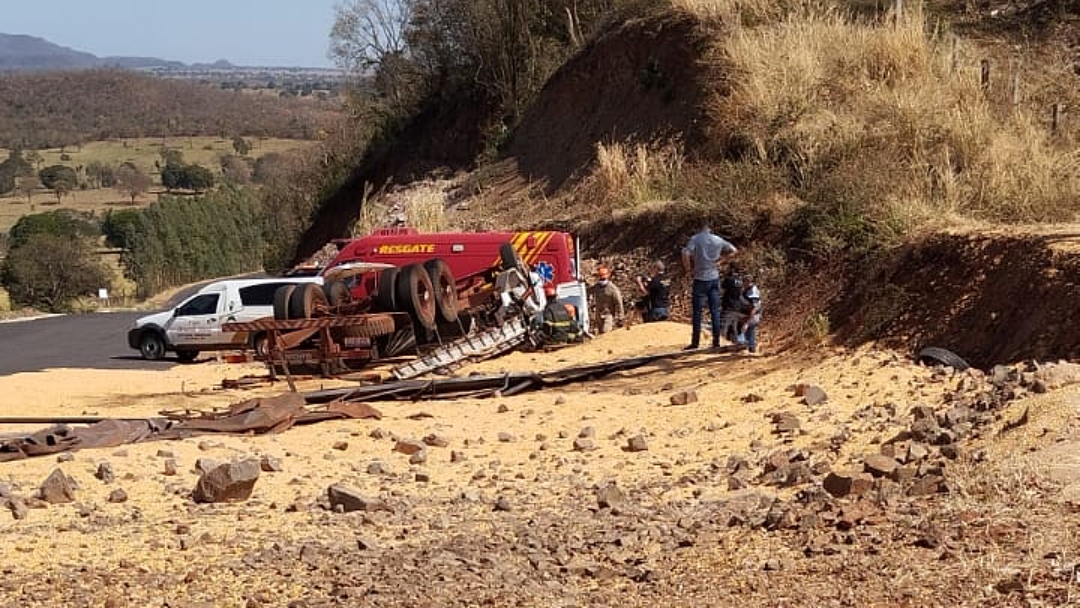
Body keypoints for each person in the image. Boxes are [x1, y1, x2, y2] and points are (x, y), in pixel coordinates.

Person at [681, 223, 737, 349]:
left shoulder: (695, 239)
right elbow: (734, 250)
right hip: (713, 277)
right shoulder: (718, 239)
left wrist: (688, 270)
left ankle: (695, 342)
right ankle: (716, 341)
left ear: (700, 228)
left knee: (697, 312)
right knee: (715, 311)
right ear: (710, 229)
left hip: (700, 278)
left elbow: (685, 253)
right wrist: (721, 261)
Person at [589, 266, 624, 334]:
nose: (602, 278)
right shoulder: (596, 287)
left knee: (606, 333)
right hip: (598, 315)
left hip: (608, 315)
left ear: (608, 275)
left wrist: (620, 317)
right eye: (600, 276)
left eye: (604, 276)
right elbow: (588, 291)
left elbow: (619, 303)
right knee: (600, 334)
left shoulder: (613, 289)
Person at [719, 263, 745, 344]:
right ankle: (734, 345)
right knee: (733, 327)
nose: (727, 270)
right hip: (737, 307)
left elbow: (721, 290)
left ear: (732, 269)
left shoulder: (729, 279)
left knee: (723, 326)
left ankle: (720, 345)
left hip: (728, 306)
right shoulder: (740, 280)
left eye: (728, 268)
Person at [739, 274, 762, 353]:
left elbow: (754, 308)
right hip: (746, 313)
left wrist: (747, 321)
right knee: (748, 330)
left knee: (749, 328)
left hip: (753, 314)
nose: (744, 284)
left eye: (746, 282)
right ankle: (749, 345)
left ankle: (751, 347)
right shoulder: (746, 290)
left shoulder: (753, 292)